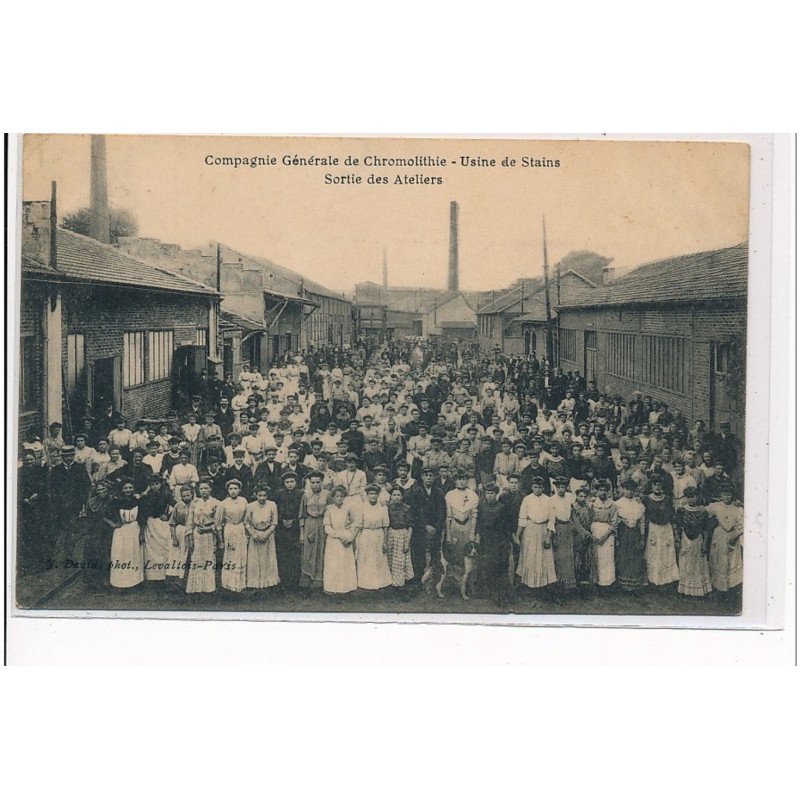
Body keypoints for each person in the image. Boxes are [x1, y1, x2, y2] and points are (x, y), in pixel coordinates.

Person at [49, 445, 91, 562]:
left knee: (71, 530)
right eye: (65, 456)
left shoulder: (80, 468)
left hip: (74, 505)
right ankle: (53, 555)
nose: (68, 458)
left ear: (73, 455)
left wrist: (81, 501)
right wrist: (57, 501)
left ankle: (69, 555)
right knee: (57, 530)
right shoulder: (56, 470)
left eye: (70, 455)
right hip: (59, 505)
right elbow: (52, 487)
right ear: (62, 457)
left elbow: (86, 485)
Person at [515, 476, 557, 591]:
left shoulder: (548, 500)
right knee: (530, 556)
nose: (537, 489)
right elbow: (522, 518)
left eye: (539, 487)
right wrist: (518, 535)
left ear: (543, 488)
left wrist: (549, 537)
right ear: (532, 487)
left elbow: (551, 520)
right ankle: (529, 585)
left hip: (543, 530)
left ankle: (542, 585)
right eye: (535, 487)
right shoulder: (527, 499)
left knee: (543, 558)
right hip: (530, 530)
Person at [104, 478, 144, 590]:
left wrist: (141, 533)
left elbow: (142, 518)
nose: (128, 490)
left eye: (130, 487)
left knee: (134, 555)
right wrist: (113, 523)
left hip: (134, 530)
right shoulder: (116, 502)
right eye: (125, 488)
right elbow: (105, 515)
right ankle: (120, 583)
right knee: (120, 555)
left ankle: (134, 582)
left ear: (134, 489)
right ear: (122, 489)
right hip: (121, 531)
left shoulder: (138, 501)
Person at [476, 482, 512, 606]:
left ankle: (500, 594)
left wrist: (504, 541)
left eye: (492, 493)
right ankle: (484, 590)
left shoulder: (501, 508)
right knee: (485, 564)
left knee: (498, 565)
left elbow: (506, 526)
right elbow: (479, 523)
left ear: (496, 494)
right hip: (485, 540)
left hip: (498, 540)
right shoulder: (481, 507)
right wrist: (478, 536)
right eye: (488, 493)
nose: (490, 496)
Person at [674, 486, 712, 597]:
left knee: (698, 564)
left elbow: (706, 530)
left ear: (697, 497)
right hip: (685, 539)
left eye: (693, 497)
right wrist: (677, 539)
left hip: (698, 540)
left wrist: (705, 544)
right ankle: (685, 589)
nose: (691, 499)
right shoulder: (681, 511)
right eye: (688, 497)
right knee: (685, 563)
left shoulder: (703, 512)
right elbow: (677, 526)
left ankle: (698, 590)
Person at [353, 483, 392, 590]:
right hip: (366, 535)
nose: (373, 496)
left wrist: (385, 542)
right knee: (366, 559)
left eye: (375, 494)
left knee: (378, 560)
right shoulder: (362, 507)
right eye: (371, 494)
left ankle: (379, 583)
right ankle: (365, 583)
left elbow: (385, 526)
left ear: (378, 495)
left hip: (378, 535)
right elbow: (358, 524)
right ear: (367, 495)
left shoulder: (383, 507)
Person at [707, 483, 743, 595]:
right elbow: (704, 509)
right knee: (718, 559)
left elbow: (742, 525)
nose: (727, 497)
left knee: (730, 560)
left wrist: (735, 536)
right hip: (719, 535)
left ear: (732, 496)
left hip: (732, 536)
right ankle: (717, 587)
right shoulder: (716, 506)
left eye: (729, 495)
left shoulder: (737, 509)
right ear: (721, 495)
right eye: (724, 494)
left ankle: (730, 587)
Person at [642, 477, 679, 587]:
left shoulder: (667, 499)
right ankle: (653, 578)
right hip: (653, 528)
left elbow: (672, 514)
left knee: (665, 551)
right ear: (651, 486)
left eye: (659, 484)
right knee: (654, 551)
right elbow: (644, 515)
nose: (657, 487)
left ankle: (666, 578)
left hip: (666, 528)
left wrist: (674, 530)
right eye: (655, 484)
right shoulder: (646, 499)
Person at [185, 479, 219, 595]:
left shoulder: (216, 503)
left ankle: (208, 589)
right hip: (197, 534)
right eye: (201, 489)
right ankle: (196, 588)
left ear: (210, 489)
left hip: (209, 534)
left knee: (208, 559)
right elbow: (190, 521)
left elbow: (218, 522)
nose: (203, 491)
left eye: (206, 488)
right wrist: (189, 536)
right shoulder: (194, 503)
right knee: (196, 559)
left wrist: (208, 529)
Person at [322, 485, 358, 595]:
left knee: (345, 563)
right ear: (333, 498)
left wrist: (349, 536)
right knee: (333, 563)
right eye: (337, 496)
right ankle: (332, 588)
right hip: (333, 539)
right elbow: (327, 526)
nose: (339, 498)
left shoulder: (348, 508)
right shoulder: (329, 510)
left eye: (341, 496)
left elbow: (354, 523)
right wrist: (338, 535)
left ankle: (346, 587)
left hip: (346, 538)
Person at [215, 478, 249, 593]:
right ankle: (229, 584)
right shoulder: (223, 503)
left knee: (241, 555)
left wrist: (247, 534)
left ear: (239, 490)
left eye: (235, 488)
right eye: (231, 489)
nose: (233, 491)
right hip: (229, 530)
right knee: (230, 555)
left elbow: (246, 518)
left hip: (241, 529)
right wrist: (221, 541)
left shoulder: (244, 501)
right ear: (228, 490)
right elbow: (218, 524)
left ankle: (240, 584)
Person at [139, 473, 175, 582]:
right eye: (152, 484)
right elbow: (142, 512)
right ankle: (152, 577)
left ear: (160, 484)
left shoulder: (166, 494)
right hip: (150, 524)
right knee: (151, 550)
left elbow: (175, 506)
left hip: (161, 523)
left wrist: (167, 515)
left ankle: (163, 576)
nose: (155, 486)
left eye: (157, 484)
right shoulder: (146, 497)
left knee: (163, 548)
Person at [244, 484, 280, 590]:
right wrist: (253, 534)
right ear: (255, 495)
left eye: (264, 495)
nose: (262, 498)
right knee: (254, 560)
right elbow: (246, 522)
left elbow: (274, 522)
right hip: (255, 535)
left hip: (268, 536)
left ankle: (268, 584)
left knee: (268, 559)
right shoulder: (250, 506)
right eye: (260, 495)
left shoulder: (272, 505)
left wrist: (267, 533)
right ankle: (255, 584)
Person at [614, 479, 647, 592]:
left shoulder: (639, 504)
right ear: (623, 489)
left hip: (635, 533)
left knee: (635, 556)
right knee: (624, 556)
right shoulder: (618, 504)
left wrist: (642, 537)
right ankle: (623, 585)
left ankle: (635, 584)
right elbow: (615, 521)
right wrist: (617, 537)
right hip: (623, 532)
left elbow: (642, 522)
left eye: (631, 489)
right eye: (627, 489)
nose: (629, 491)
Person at [18, 450, 47, 574]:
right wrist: (23, 498)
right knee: (27, 534)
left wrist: (37, 494)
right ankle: (28, 562)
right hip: (25, 507)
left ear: (35, 459)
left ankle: (41, 562)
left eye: (31, 459)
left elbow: (45, 486)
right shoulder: (19, 472)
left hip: (39, 505)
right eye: (26, 460)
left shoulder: (40, 471)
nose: (29, 462)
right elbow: (17, 488)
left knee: (39, 533)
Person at [299, 471, 329, 590]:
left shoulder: (327, 494)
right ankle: (307, 584)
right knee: (308, 553)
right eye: (313, 482)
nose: (315, 485)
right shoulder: (306, 495)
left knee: (322, 551)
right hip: (310, 525)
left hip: (323, 524)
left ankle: (320, 583)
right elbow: (302, 515)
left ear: (322, 482)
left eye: (318, 482)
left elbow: (331, 511)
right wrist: (302, 533)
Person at [275, 472, 303, 590]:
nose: (290, 484)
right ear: (283, 483)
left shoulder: (301, 494)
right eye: (287, 482)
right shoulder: (279, 494)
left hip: (295, 528)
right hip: (282, 528)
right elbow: (275, 510)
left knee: (294, 555)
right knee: (282, 554)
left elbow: (302, 511)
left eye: (292, 481)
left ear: (296, 482)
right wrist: (281, 521)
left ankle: (295, 582)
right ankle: (283, 582)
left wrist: (294, 521)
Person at [82, 480, 113, 587]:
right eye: (98, 490)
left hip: (109, 531)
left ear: (107, 489)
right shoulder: (92, 502)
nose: (101, 492)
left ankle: (106, 578)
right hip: (96, 531)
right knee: (93, 553)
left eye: (103, 489)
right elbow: (89, 518)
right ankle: (93, 580)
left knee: (107, 554)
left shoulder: (112, 500)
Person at [589, 479, 619, 589]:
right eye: (600, 490)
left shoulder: (612, 504)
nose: (603, 492)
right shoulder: (592, 504)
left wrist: (605, 536)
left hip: (608, 532)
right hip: (595, 531)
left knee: (607, 558)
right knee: (596, 557)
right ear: (597, 491)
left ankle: (607, 583)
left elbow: (614, 523)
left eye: (605, 490)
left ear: (608, 491)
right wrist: (593, 535)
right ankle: (596, 582)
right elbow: (588, 519)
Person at [549, 476, 577, 592]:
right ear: (555, 488)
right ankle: (558, 583)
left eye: (563, 487)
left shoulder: (570, 497)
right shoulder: (552, 500)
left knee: (568, 556)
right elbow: (551, 518)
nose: (561, 489)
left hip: (568, 528)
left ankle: (568, 584)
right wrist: (552, 533)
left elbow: (573, 512)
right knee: (558, 556)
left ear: (566, 487)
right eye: (559, 487)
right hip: (558, 528)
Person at [167, 485, 194, 582]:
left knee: (191, 553)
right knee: (178, 554)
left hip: (192, 531)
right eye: (184, 496)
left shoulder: (196, 504)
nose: (186, 497)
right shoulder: (178, 506)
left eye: (188, 495)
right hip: (181, 530)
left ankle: (190, 576)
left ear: (192, 495)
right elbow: (172, 523)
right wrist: (174, 538)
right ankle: (178, 576)